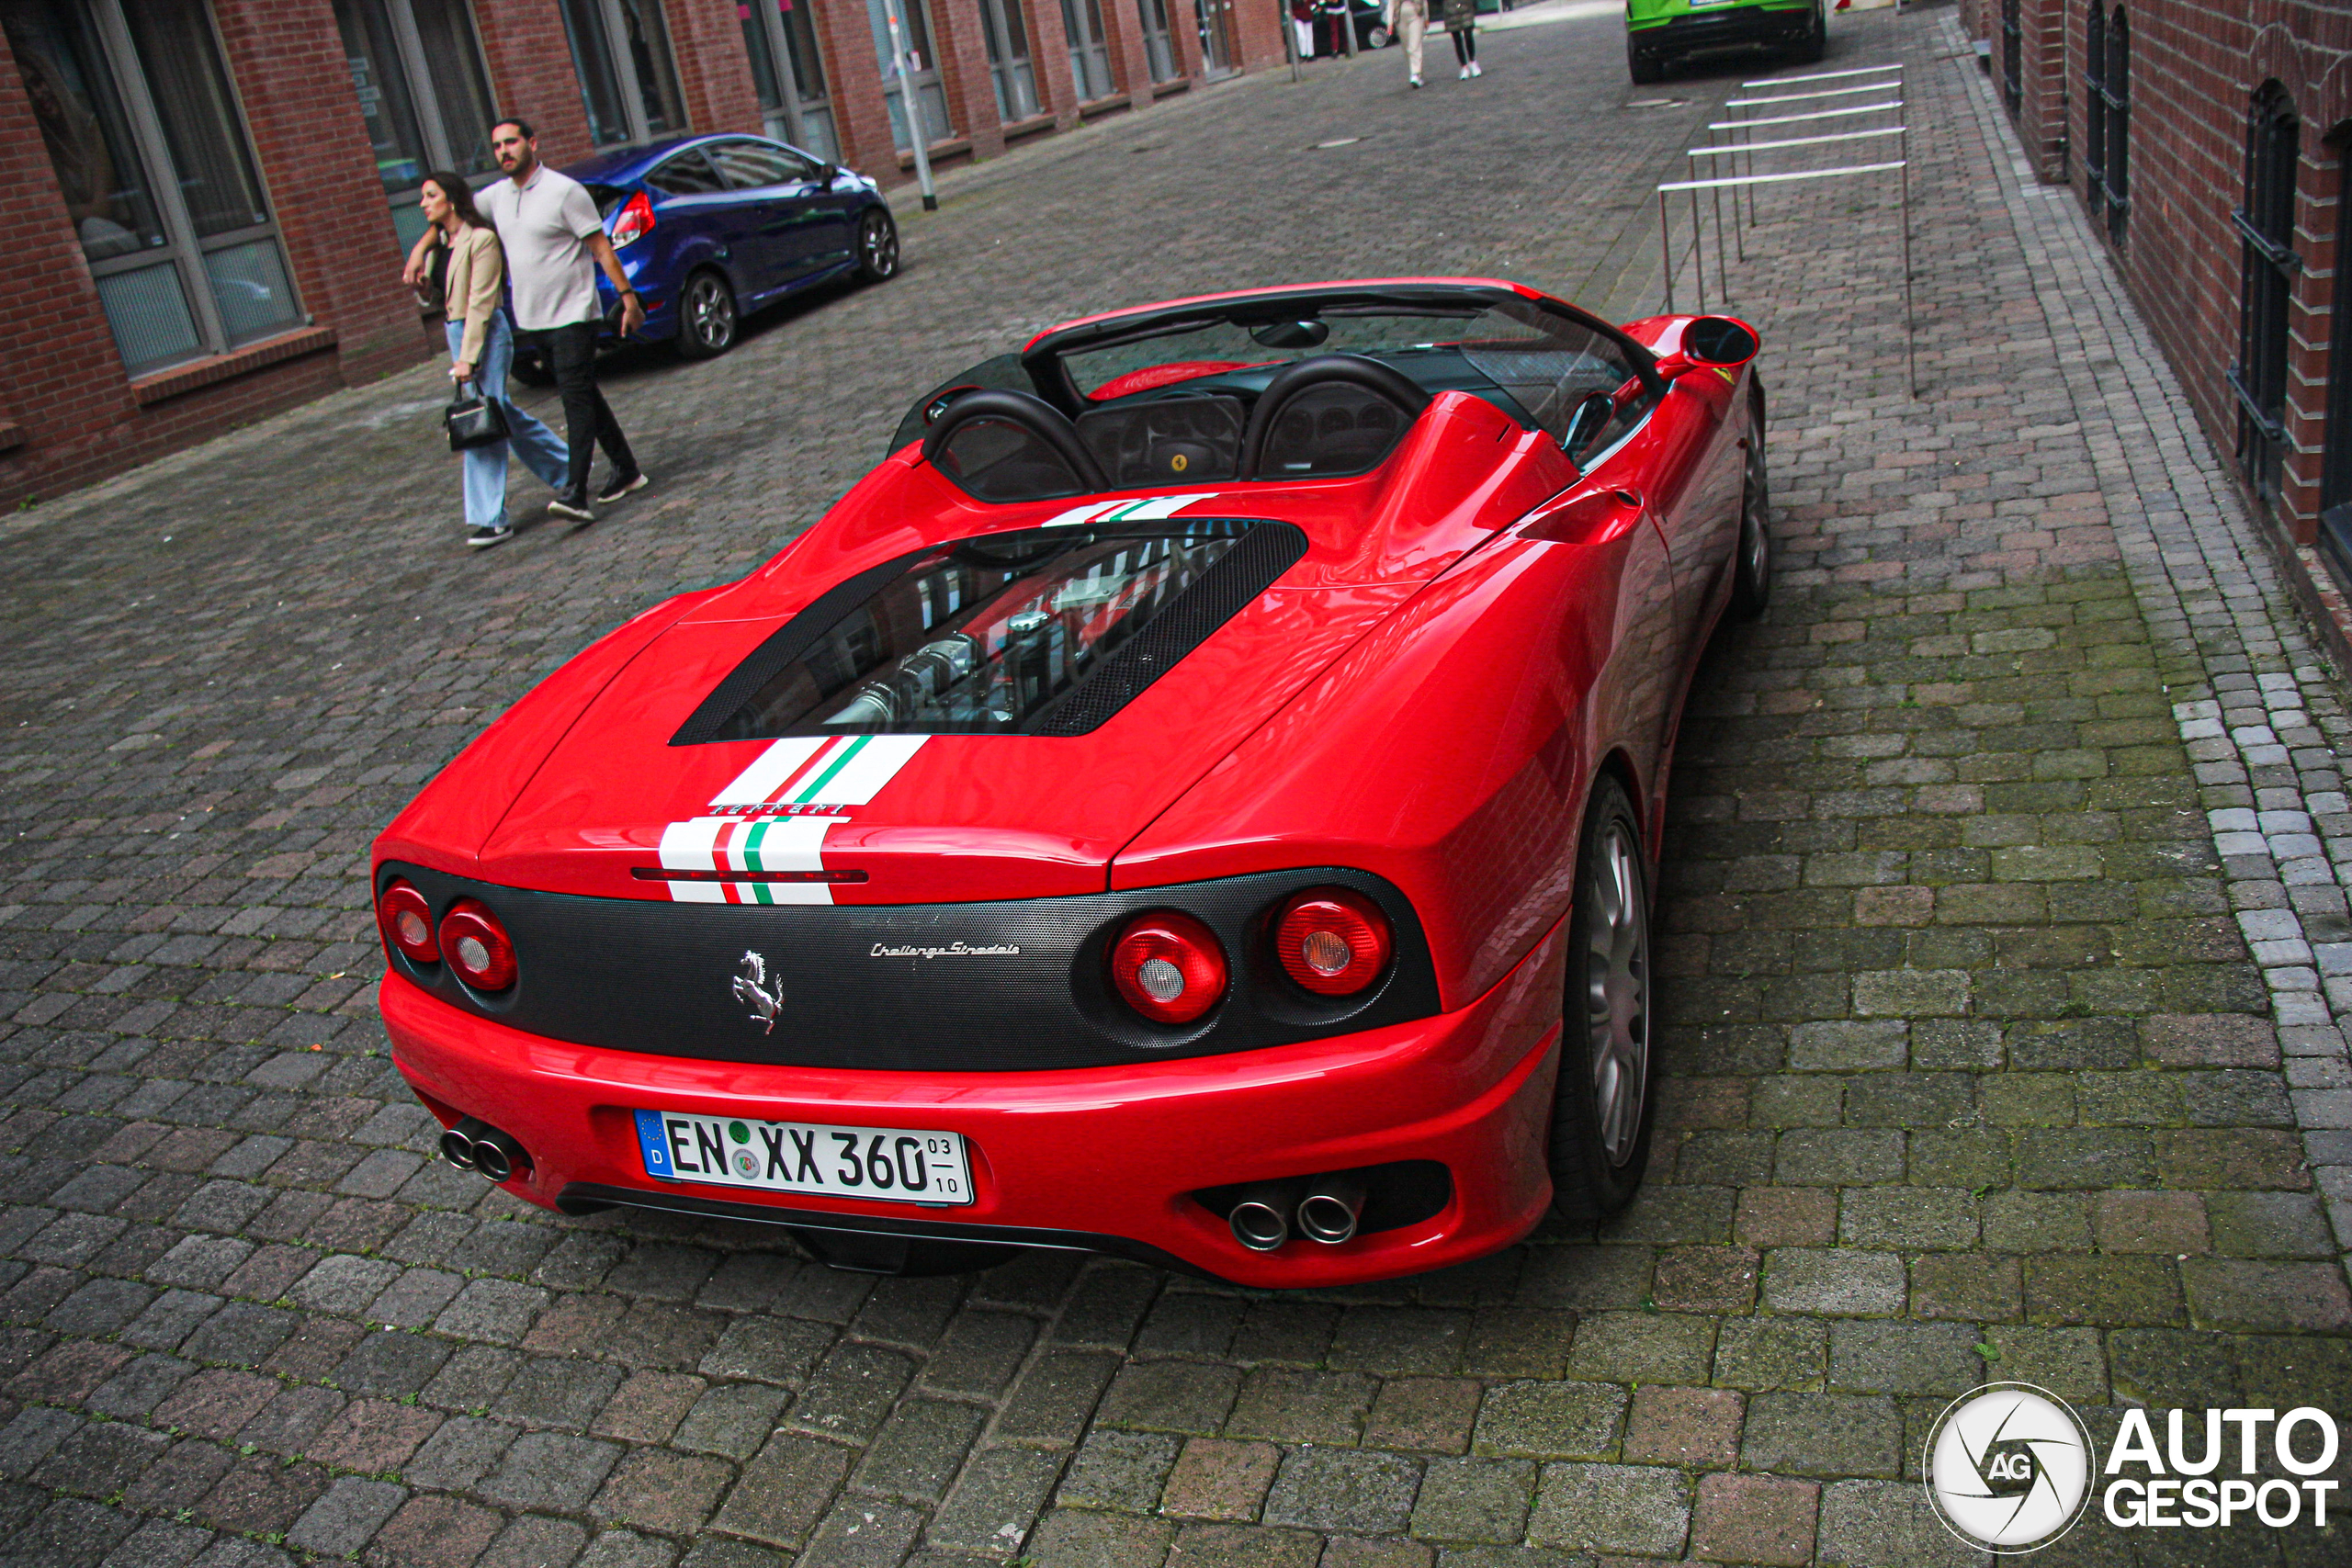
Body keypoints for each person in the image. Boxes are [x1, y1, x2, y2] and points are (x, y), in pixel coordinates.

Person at [409, 117, 647, 524]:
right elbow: (454, 212)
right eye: (497, 145)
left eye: (512, 142)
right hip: (534, 320)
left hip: (574, 313)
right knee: (584, 391)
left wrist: (628, 298)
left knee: (574, 400)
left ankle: (575, 492)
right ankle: (626, 469)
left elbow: (601, 248)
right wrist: (421, 249)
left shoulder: (564, 192)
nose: (504, 151)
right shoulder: (497, 197)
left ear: (532, 144)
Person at [416, 173, 570, 549]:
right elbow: (444, 299)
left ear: (451, 200)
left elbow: (482, 301)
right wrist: (424, 288)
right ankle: (569, 466)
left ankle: (491, 519)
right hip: (456, 330)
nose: (423, 203)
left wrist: (469, 358)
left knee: (481, 418)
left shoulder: (481, 240)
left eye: (430, 195)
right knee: (498, 412)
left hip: (484, 333)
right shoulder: (440, 245)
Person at [1384, 0, 1426, 85]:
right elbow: (1391, 4)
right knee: (1406, 46)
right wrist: (1390, 23)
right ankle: (1417, 72)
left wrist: (1427, 18)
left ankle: (1416, 73)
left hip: (1416, 14)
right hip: (1400, 17)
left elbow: (1424, 1)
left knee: (1414, 45)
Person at [1442, 0, 1479, 77]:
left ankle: (1472, 61)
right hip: (1451, 10)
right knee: (1457, 40)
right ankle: (1464, 66)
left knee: (1468, 36)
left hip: (1466, 7)